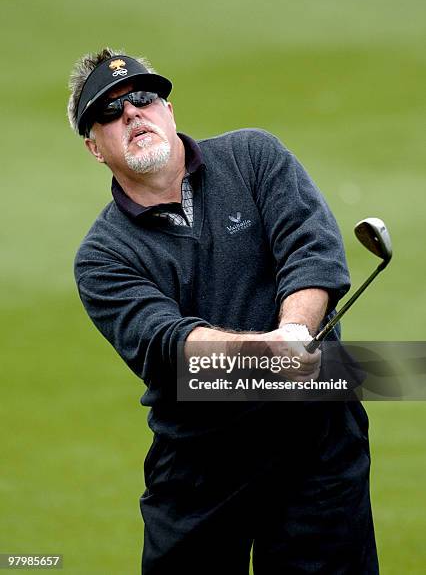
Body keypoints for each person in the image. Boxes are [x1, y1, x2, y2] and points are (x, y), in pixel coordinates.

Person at [68, 47, 379, 574]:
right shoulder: (102, 256)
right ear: (95, 146)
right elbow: (168, 345)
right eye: (108, 112)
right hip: (201, 459)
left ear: (168, 109)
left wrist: (295, 331)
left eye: (143, 98)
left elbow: (312, 252)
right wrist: (273, 356)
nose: (131, 114)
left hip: (317, 442)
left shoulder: (254, 155)